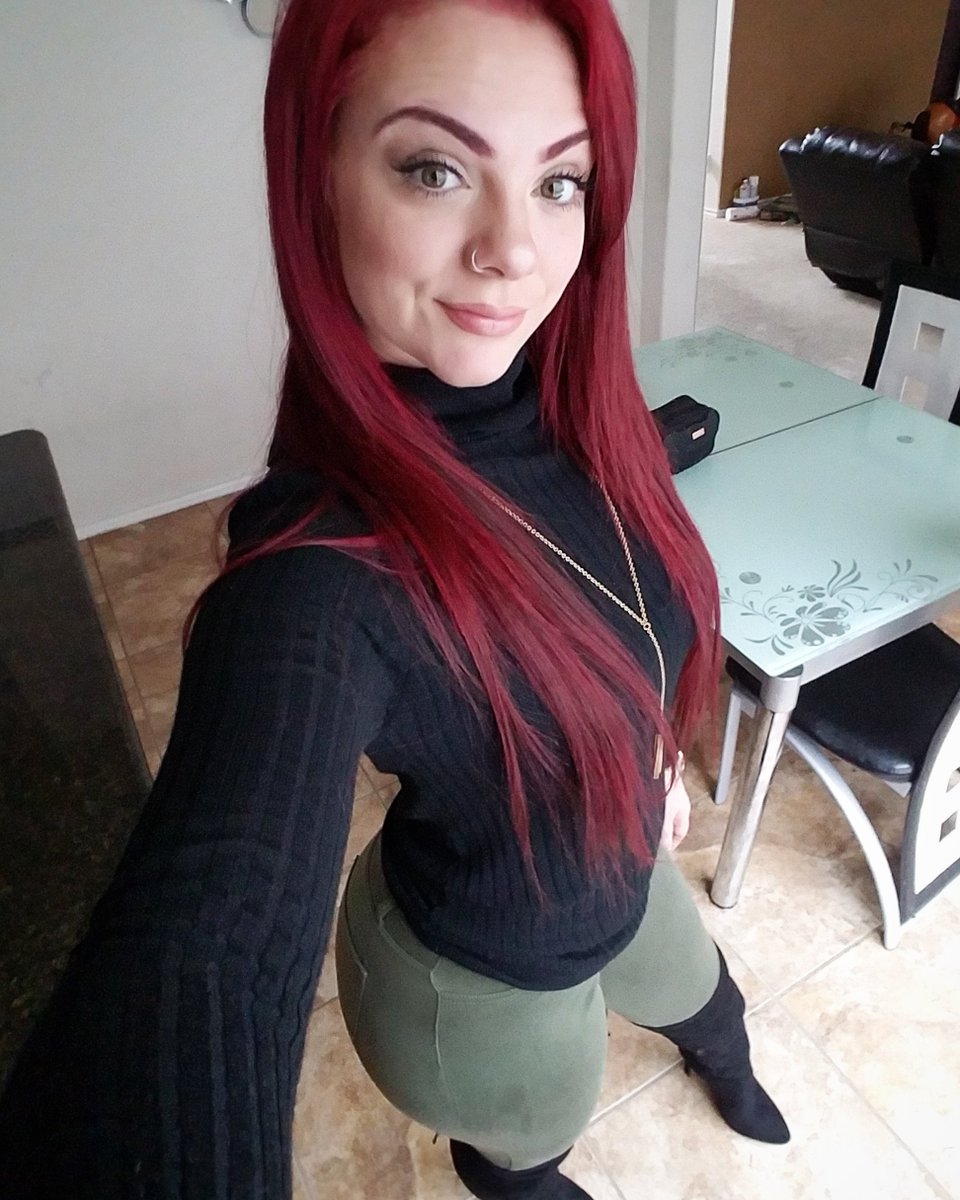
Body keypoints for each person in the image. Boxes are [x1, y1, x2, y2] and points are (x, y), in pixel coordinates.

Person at [0, 1, 790, 1196]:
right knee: (530, 1142)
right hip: (481, 975)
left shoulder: (579, 409)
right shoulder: (320, 571)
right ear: (316, 180)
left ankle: (722, 1059)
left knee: (710, 1002)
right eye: (434, 168)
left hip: (627, 865)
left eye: (560, 182)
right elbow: (202, 942)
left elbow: (620, 609)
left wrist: (654, 766)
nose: (514, 250)